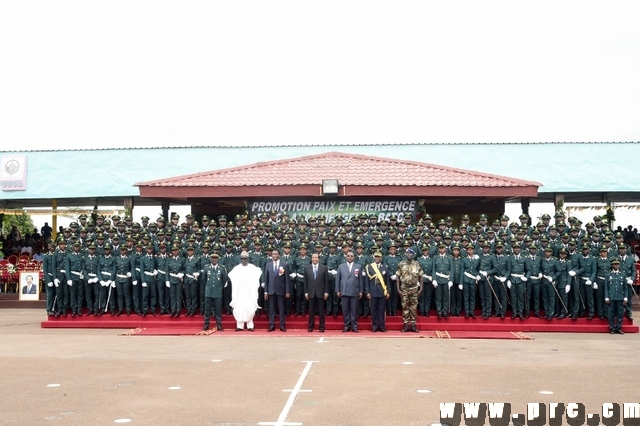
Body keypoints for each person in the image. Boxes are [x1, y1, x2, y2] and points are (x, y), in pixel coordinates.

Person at [228, 251, 262, 331]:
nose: (244, 260)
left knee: (249, 307)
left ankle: (250, 326)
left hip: (249, 292)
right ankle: (240, 326)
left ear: (248, 259)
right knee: (239, 308)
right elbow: (231, 276)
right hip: (239, 292)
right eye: (242, 258)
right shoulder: (237, 268)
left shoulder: (252, 268)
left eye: (245, 258)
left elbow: (258, 274)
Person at [263, 249, 292, 332]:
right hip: (271, 290)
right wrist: (266, 291)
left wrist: (287, 291)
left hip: (281, 290)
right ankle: (272, 325)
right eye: (273, 254)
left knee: (281, 309)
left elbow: (287, 279)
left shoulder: (284, 265)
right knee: (271, 309)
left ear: (279, 255)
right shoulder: (268, 265)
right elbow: (266, 279)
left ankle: (282, 326)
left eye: (276, 254)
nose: (274, 256)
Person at [396, 248, 423, 332]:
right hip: (404, 288)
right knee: (405, 306)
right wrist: (398, 289)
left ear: (413, 255)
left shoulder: (417, 264)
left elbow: (421, 277)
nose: (409, 255)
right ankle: (406, 325)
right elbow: (397, 277)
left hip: (414, 288)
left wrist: (421, 289)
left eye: (410, 253)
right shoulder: (401, 264)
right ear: (405, 254)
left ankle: (414, 325)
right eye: (407, 253)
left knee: (414, 307)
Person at [336, 251, 364, 332]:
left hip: (354, 290)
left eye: (351, 256)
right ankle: (346, 325)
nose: (350, 257)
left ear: (354, 257)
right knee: (345, 310)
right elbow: (338, 279)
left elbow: (360, 280)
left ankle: (354, 325)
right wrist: (337, 290)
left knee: (354, 309)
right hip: (344, 290)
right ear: (346, 257)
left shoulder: (358, 266)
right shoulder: (341, 267)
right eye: (348, 256)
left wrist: (361, 291)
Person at [364, 251, 390, 332]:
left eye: (378, 257)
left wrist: (388, 292)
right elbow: (367, 281)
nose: (377, 258)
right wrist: (367, 292)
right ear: (373, 258)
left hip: (382, 292)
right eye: (376, 257)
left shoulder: (385, 267)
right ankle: (374, 326)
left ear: (381, 258)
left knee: (381, 310)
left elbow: (387, 281)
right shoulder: (369, 267)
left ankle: (382, 326)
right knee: (373, 310)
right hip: (373, 292)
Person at [202, 253, 228, 331]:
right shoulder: (206, 268)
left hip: (218, 292)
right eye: (212, 258)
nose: (214, 259)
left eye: (215, 258)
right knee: (207, 310)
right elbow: (204, 280)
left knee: (218, 310)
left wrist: (219, 287)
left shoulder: (222, 268)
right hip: (208, 292)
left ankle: (219, 324)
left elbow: (224, 280)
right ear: (210, 259)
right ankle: (206, 325)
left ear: (218, 259)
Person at [303, 253, 329, 332]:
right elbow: (305, 282)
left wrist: (326, 292)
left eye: (316, 257)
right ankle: (310, 326)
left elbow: (326, 281)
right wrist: (306, 292)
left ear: (318, 259)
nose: (314, 259)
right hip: (311, 293)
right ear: (311, 258)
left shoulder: (324, 268)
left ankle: (322, 327)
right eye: (313, 257)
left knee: (321, 312)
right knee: (311, 312)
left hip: (320, 292)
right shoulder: (307, 268)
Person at [605, 258, 628, 334]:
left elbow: (625, 288)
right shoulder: (608, 275)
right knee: (611, 313)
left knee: (620, 314)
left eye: (617, 264)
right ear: (612, 265)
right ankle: (612, 328)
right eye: (615, 264)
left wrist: (625, 297)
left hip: (620, 297)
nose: (616, 265)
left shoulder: (623, 275)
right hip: (611, 297)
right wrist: (606, 297)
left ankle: (618, 328)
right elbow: (606, 287)